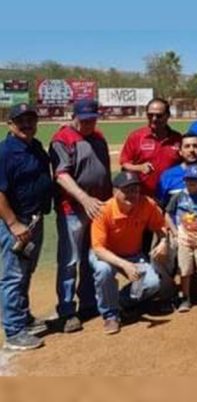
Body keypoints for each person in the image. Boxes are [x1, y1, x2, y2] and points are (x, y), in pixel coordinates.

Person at [49, 99, 112, 333]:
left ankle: (88, 302)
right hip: (73, 209)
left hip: (98, 207)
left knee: (91, 256)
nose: (88, 124)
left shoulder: (98, 136)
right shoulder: (62, 139)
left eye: (92, 119)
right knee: (70, 261)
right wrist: (84, 198)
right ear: (74, 116)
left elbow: (103, 169)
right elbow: (61, 175)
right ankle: (66, 310)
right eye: (84, 120)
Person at [89, 171, 171, 335]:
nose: (132, 194)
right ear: (115, 191)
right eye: (126, 190)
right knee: (103, 270)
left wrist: (164, 241)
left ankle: (121, 301)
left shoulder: (146, 204)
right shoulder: (104, 210)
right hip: (107, 255)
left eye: (135, 190)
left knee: (152, 282)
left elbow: (161, 227)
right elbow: (98, 249)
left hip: (133, 254)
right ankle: (110, 315)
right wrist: (125, 265)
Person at [0, 103, 53, 351]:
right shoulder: (5, 152)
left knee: (26, 270)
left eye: (30, 119)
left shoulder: (35, 146)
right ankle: (14, 330)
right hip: (15, 222)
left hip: (34, 219)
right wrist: (12, 223)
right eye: (20, 120)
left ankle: (22, 316)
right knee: (13, 275)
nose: (27, 124)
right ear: (10, 124)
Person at [164, 164, 197, 312]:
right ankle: (185, 297)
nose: (191, 182)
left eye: (196, 180)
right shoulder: (178, 196)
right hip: (183, 234)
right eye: (189, 179)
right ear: (184, 180)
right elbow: (168, 214)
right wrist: (175, 232)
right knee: (185, 267)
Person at [119, 98, 182, 197]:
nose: (154, 119)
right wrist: (139, 167)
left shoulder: (178, 138)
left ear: (168, 115)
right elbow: (125, 164)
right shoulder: (136, 137)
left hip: (171, 196)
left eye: (159, 115)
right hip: (143, 197)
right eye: (150, 115)